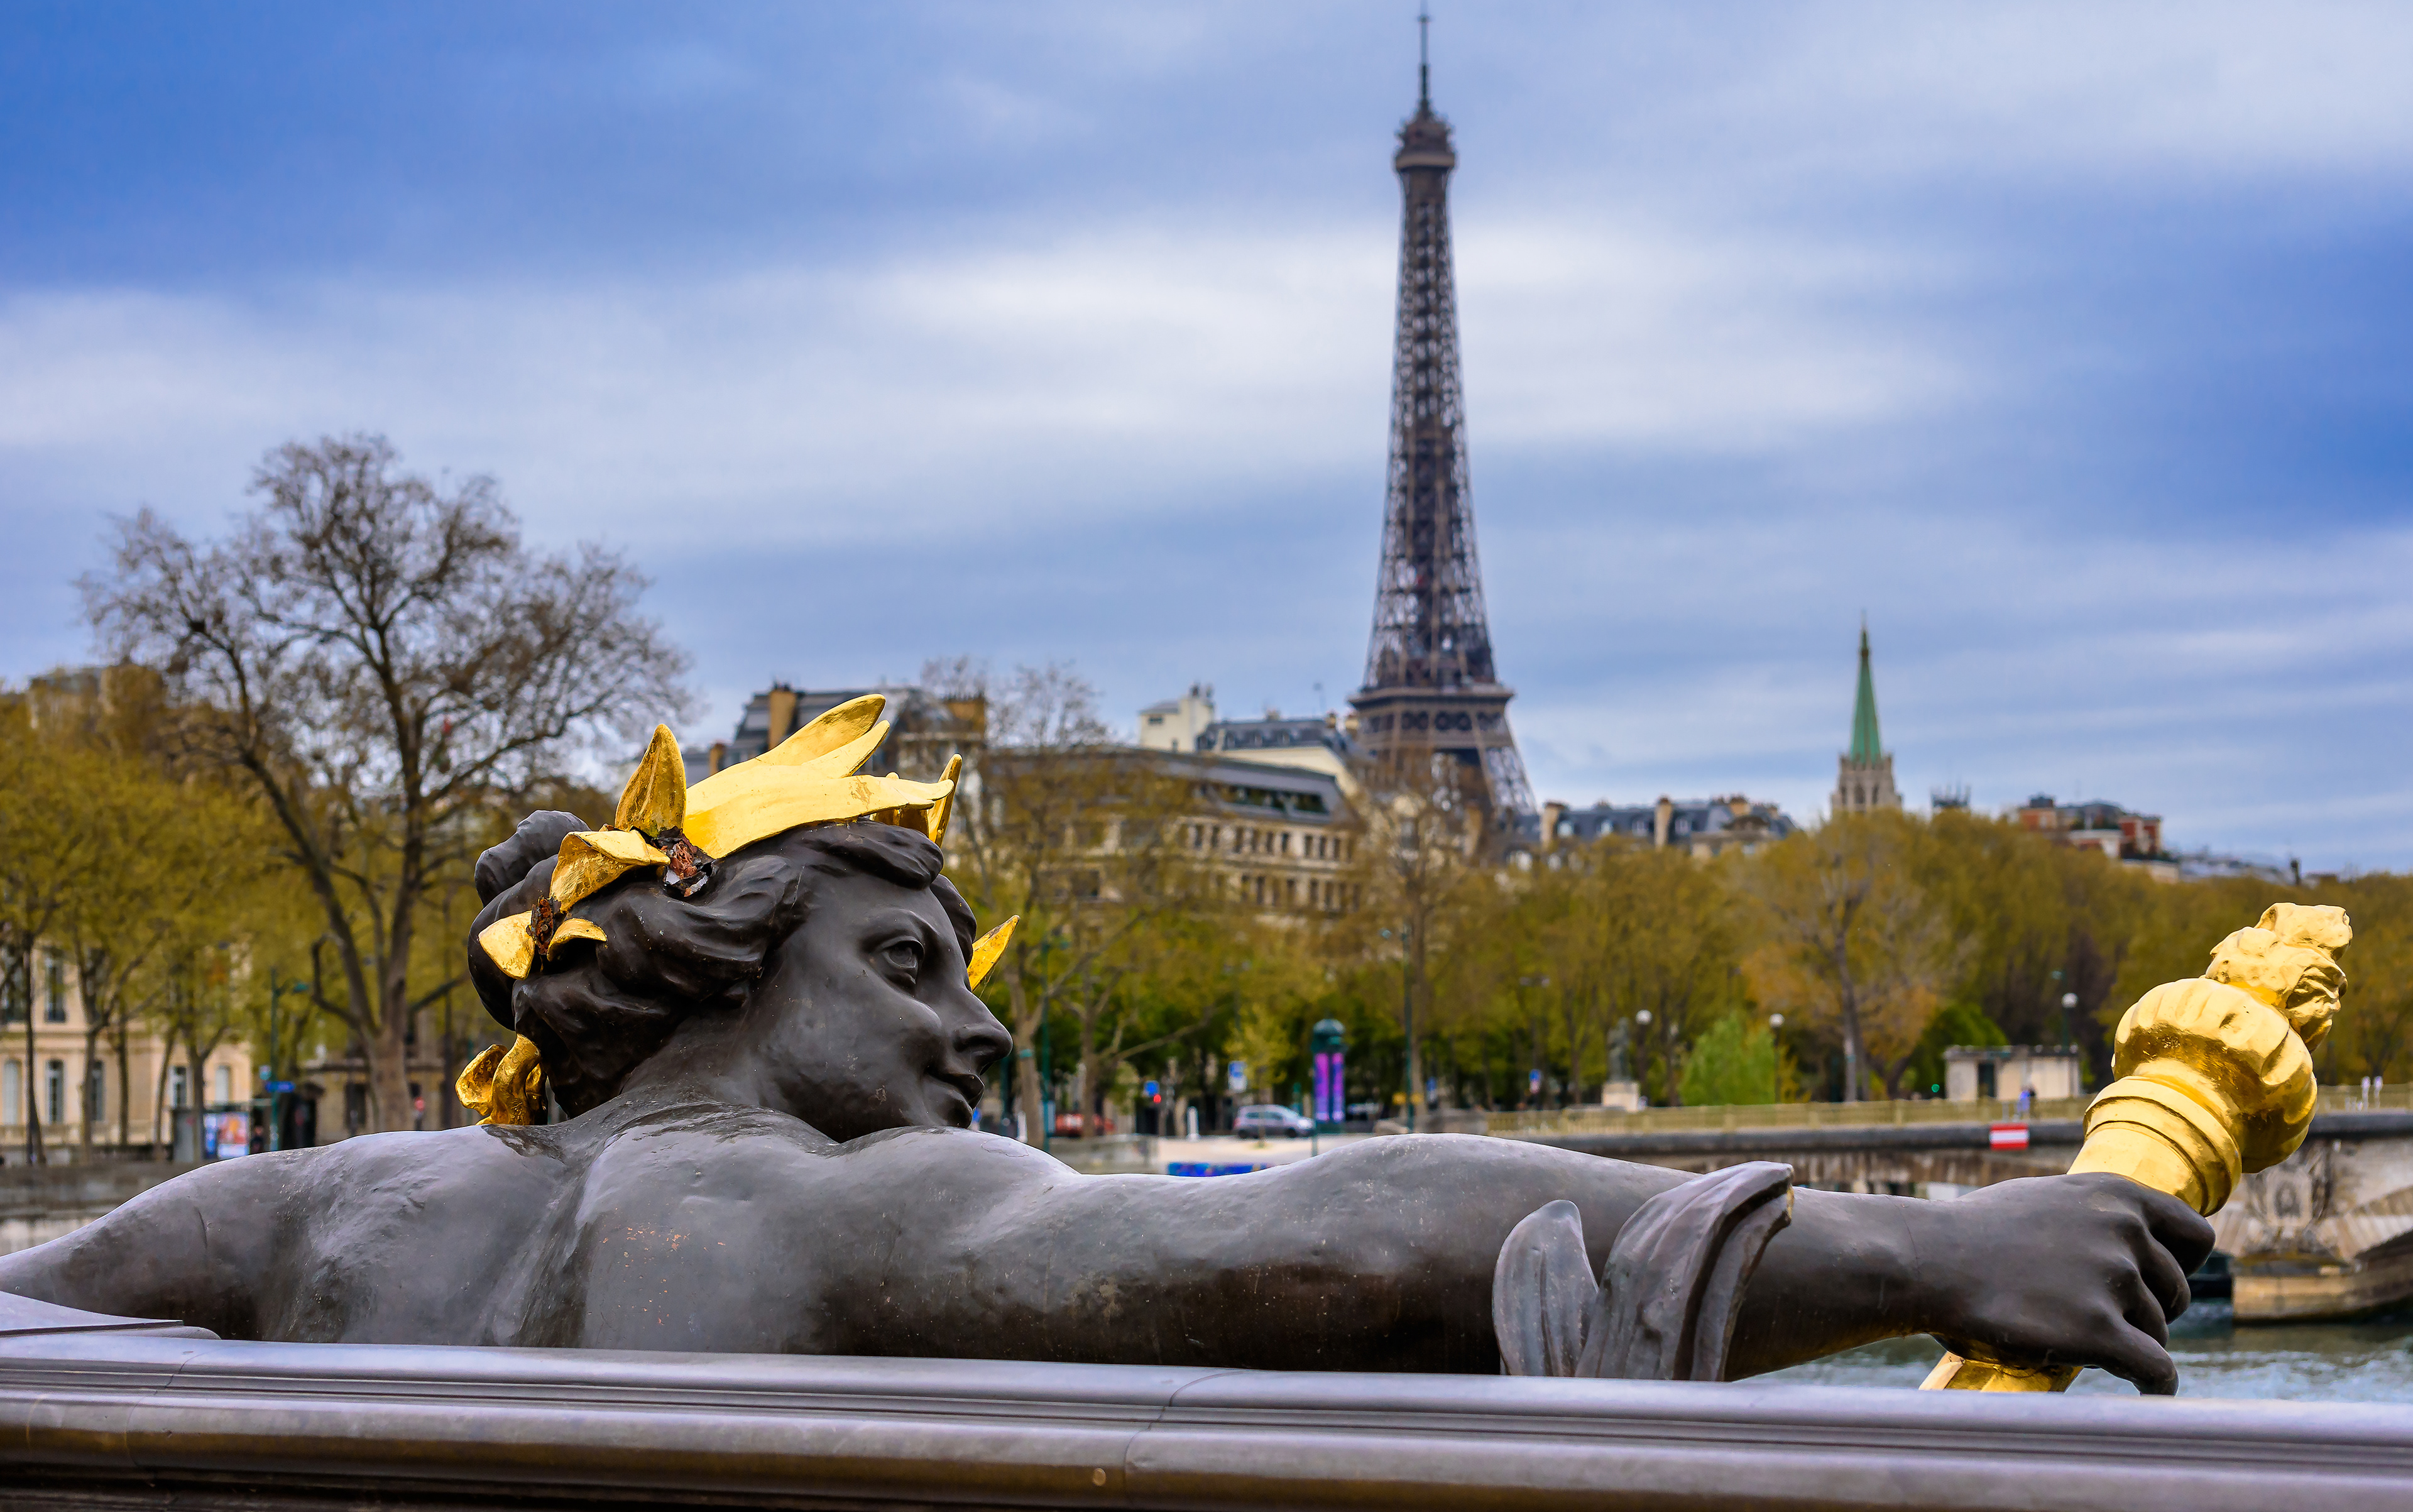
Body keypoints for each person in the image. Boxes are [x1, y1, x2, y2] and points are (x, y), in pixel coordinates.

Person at [0, 708, 2211, 1390]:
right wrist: (1929, 1249)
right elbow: (1355, 1229)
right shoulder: (830, 1207)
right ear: (735, 955)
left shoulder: (302, 1206)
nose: (975, 1025)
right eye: (909, 959)